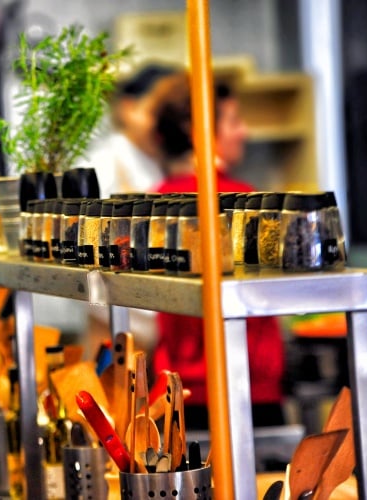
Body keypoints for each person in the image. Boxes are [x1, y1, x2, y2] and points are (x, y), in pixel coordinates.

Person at [151, 77, 285, 429]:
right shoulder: (241, 200)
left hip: (176, 395)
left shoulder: (154, 202)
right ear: (197, 129)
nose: (244, 131)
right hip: (249, 393)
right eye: (233, 120)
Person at [87, 64, 181, 198]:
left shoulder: (169, 159)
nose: (167, 123)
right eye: (158, 112)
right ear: (129, 108)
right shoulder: (102, 166)